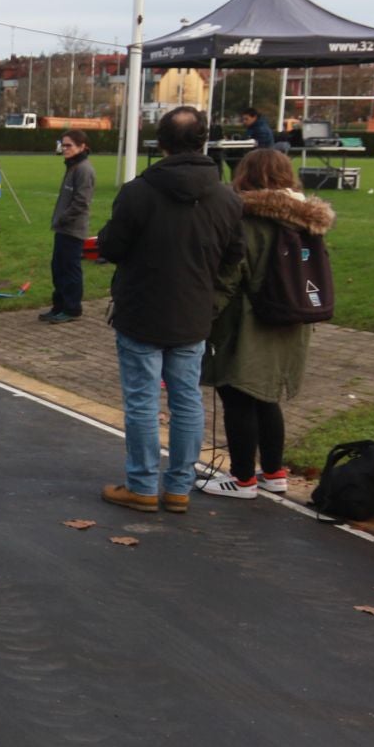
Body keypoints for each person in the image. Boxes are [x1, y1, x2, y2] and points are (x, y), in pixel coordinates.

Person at [95, 106, 244, 513]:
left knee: (144, 401)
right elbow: (235, 256)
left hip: (143, 309)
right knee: (186, 400)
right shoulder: (226, 197)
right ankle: (177, 485)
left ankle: (143, 484)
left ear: (160, 143)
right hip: (193, 312)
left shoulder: (139, 191)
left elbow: (111, 247)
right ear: (203, 141)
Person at [199, 149, 334, 499]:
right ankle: (273, 472)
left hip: (250, 321)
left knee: (238, 394)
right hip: (294, 318)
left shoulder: (248, 219)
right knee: (267, 397)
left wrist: (202, 317)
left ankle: (242, 478)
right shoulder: (308, 220)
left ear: (246, 176)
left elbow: (230, 276)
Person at [41, 131, 96, 323]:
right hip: (63, 228)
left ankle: (72, 308)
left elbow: (82, 202)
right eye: (63, 145)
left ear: (82, 147)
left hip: (73, 229)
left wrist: (63, 218)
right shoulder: (72, 166)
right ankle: (59, 306)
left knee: (70, 269)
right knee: (58, 268)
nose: (64, 149)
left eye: (69, 145)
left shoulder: (84, 169)